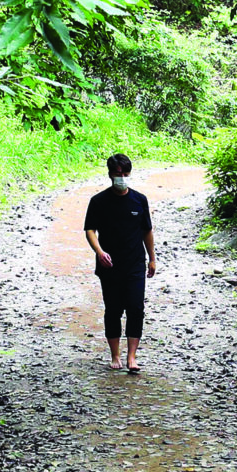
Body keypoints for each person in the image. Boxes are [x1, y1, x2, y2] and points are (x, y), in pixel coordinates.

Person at [82, 152, 156, 371]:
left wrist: (152, 259)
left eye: (125, 173)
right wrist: (99, 251)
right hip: (109, 265)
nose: (121, 177)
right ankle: (115, 355)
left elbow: (147, 231)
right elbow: (90, 230)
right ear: (110, 175)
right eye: (117, 174)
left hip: (135, 263)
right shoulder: (98, 201)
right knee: (113, 309)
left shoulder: (139, 200)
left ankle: (132, 357)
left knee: (135, 308)